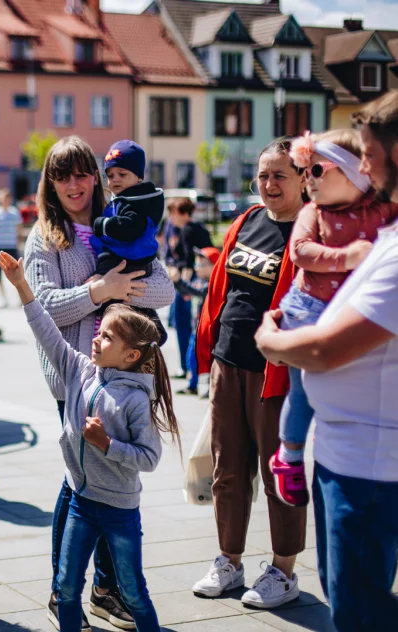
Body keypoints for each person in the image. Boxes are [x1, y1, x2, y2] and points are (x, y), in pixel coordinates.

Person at [254, 91, 398, 631]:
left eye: (368, 152)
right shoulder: (361, 227)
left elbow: (323, 349)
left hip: (371, 463)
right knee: (343, 596)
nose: (362, 165)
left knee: (360, 611)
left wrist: (271, 342)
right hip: (343, 456)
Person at [23, 136, 175, 631]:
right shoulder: (45, 236)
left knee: (119, 484)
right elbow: (45, 304)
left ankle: (105, 590)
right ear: (51, 182)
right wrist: (101, 290)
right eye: (62, 175)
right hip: (74, 374)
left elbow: (164, 287)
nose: (74, 184)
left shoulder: (123, 220)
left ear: (96, 176)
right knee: (80, 482)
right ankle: (62, 588)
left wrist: (122, 288)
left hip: (127, 375)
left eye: (82, 173)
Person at [0, 250, 180, 632]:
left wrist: (105, 444)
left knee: (133, 593)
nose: (96, 339)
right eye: (99, 332)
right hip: (81, 502)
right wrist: (22, 286)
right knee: (65, 588)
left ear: (130, 355)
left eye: (107, 336)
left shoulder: (135, 400)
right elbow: (47, 331)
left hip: (119, 510)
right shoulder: (81, 369)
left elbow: (149, 458)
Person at [192, 138, 309, 608]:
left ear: (304, 178)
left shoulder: (310, 230)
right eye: (263, 175)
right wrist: (208, 349)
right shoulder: (246, 221)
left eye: (280, 174)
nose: (269, 183)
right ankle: (229, 561)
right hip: (229, 362)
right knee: (228, 470)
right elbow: (222, 287)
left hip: (275, 372)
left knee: (277, 471)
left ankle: (283, 571)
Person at [269, 129, 397, 508]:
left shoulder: (384, 210)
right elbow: (300, 252)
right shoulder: (313, 212)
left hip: (351, 310)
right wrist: (346, 258)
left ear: (355, 173)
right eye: (304, 170)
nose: (308, 179)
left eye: (318, 170)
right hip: (307, 309)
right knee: (304, 388)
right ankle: (289, 455)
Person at [93, 140, 165, 278]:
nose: (115, 179)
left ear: (138, 177)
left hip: (129, 261)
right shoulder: (127, 198)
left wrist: (102, 224)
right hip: (130, 258)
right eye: (110, 175)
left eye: (122, 174)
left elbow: (129, 228)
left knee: (100, 283)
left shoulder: (138, 202)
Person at [164, 198, 213, 378]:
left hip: (190, 280)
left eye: (173, 213)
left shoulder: (190, 229)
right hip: (190, 279)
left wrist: (184, 285)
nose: (170, 217)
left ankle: (188, 367)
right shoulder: (183, 227)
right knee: (185, 324)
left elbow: (189, 260)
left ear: (184, 214)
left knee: (186, 324)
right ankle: (188, 367)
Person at [169, 246, 219, 396]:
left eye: (202, 265)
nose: (197, 268)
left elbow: (194, 290)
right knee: (193, 356)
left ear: (214, 266)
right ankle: (193, 384)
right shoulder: (200, 281)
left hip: (209, 329)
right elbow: (188, 290)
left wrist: (178, 281)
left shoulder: (212, 284)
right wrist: (178, 283)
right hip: (198, 327)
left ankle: (209, 386)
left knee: (207, 358)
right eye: (197, 264)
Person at [0, 191, 24, 306]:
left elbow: (19, 229)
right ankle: (3, 298)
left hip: (11, 246)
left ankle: (20, 297)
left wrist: (19, 243)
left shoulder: (15, 213)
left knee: (18, 273)